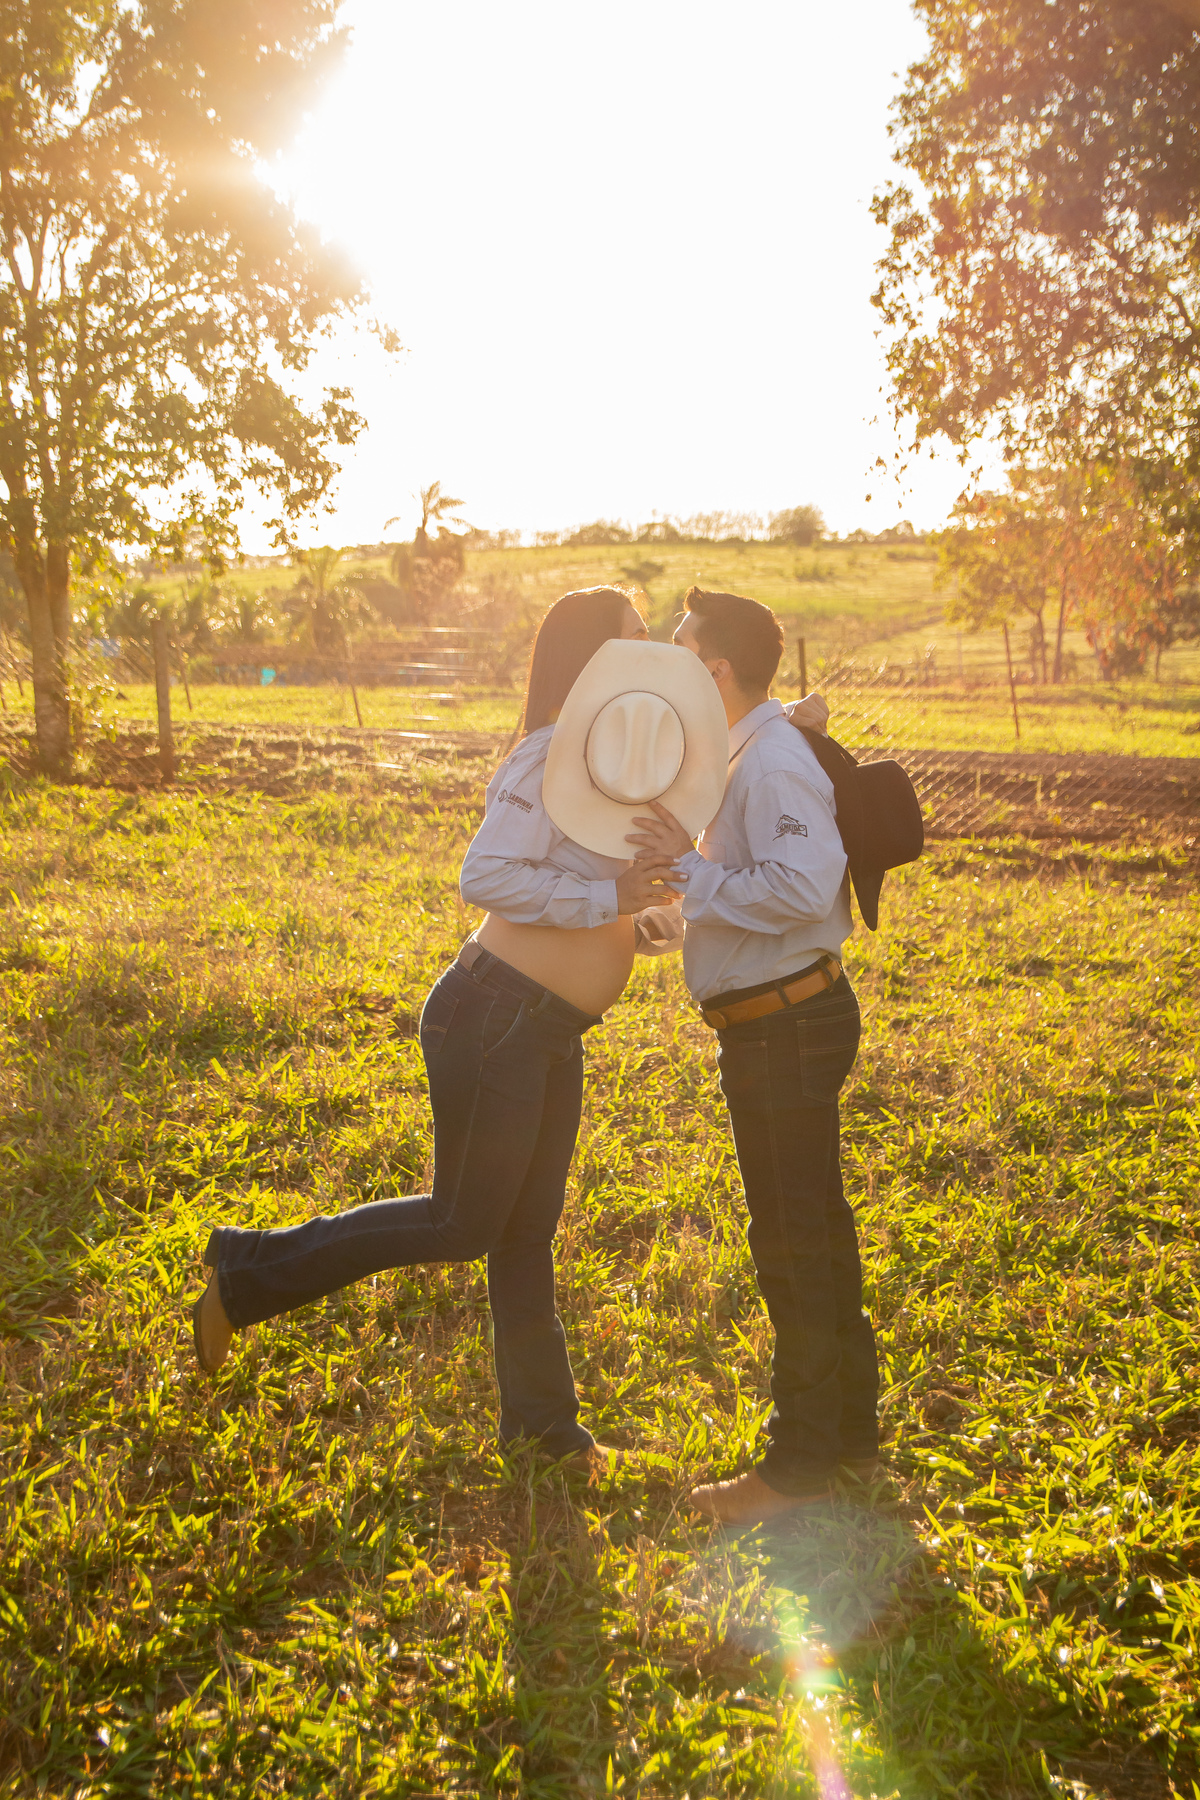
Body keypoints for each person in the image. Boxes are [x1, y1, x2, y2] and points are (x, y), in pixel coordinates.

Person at [188, 588, 687, 1467]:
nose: (650, 666)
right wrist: (609, 898)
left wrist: (633, 924)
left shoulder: (610, 773)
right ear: (589, 663)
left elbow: (574, 896)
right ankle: (244, 1273)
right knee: (462, 1224)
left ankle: (545, 1433)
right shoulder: (545, 759)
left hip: (546, 1026)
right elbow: (486, 875)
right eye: (634, 644)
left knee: (525, 1234)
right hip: (495, 1015)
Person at [627, 586, 879, 1524]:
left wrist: (689, 872)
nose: (670, 662)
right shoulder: (747, 752)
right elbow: (752, 889)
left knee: (791, 1243)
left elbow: (802, 884)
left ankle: (799, 1466)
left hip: (784, 1028)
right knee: (817, 1229)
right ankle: (850, 1433)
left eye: (681, 647)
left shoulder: (769, 760)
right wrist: (674, 917)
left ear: (714, 669)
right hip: (782, 1014)